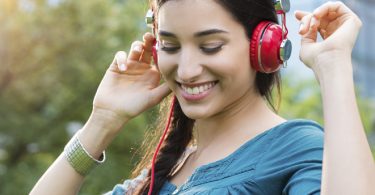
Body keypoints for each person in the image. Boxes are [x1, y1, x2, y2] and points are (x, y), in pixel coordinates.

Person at [30, 0, 375, 194]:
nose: (187, 69)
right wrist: (102, 122)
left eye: (210, 46)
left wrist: (333, 66)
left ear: (263, 47)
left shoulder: (297, 148)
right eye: (171, 46)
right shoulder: (157, 177)